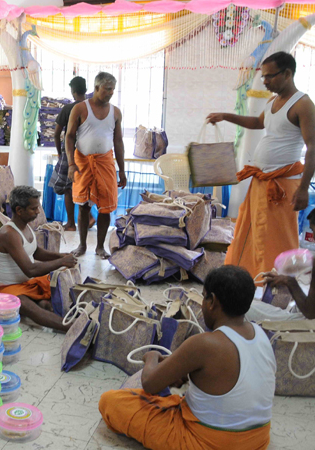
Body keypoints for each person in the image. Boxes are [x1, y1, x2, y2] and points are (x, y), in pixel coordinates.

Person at [98, 266, 276, 450]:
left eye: (204, 297)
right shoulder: (261, 334)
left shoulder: (204, 343)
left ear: (212, 301)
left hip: (207, 443)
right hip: (258, 440)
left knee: (111, 401)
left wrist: (151, 357)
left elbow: (150, 383)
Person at [207, 51, 315, 279]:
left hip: (283, 184)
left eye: (269, 76)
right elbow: (258, 122)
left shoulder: (303, 104)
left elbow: (313, 147)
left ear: (287, 74)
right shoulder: (272, 101)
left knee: (277, 235)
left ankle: (279, 283)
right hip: (261, 180)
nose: (264, 81)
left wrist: (304, 188)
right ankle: (250, 277)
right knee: (253, 230)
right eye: (263, 76)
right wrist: (225, 116)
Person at [0, 186, 77, 331]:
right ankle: (76, 328)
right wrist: (61, 262)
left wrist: (61, 256)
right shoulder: (9, 234)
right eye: (34, 208)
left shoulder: (26, 226)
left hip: (26, 283)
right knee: (35, 311)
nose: (38, 212)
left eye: (38, 207)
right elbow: (30, 269)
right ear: (19, 210)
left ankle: (44, 304)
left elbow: (36, 252)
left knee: (55, 292)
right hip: (5, 289)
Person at [65, 72, 127, 258]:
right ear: (97, 88)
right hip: (83, 163)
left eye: (113, 89)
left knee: (105, 207)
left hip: (105, 163)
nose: (111, 93)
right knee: (83, 206)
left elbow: (118, 142)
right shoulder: (80, 108)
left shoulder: (116, 112)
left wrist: (122, 170)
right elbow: (69, 136)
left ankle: (100, 247)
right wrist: (70, 163)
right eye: (107, 89)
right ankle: (82, 245)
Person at [49, 76, 93, 231]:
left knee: (68, 188)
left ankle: (71, 224)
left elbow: (56, 134)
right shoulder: (92, 108)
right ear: (85, 90)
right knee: (83, 186)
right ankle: (89, 217)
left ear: (73, 91)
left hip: (71, 153)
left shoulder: (68, 109)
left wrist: (60, 153)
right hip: (88, 153)